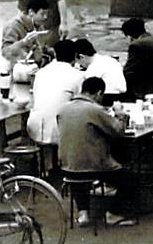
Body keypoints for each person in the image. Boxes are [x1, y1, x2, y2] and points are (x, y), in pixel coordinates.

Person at [57, 77, 135, 227]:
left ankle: (83, 213)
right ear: (99, 93)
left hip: (67, 165)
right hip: (93, 167)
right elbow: (118, 130)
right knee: (129, 179)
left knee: (77, 163)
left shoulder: (63, 109)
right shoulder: (95, 110)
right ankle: (113, 213)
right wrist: (120, 113)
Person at [27, 39, 85, 145]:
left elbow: (35, 98)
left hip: (34, 127)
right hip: (59, 130)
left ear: (55, 54)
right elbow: (81, 105)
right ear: (75, 56)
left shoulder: (41, 73)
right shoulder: (78, 76)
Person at [1, 0, 54, 68]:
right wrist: (23, 42)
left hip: (37, 68)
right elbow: (5, 52)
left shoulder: (38, 25)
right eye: (42, 14)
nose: (45, 17)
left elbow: (42, 47)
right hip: (19, 70)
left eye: (46, 14)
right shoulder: (12, 26)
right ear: (31, 12)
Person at [73, 38, 126, 105]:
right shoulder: (110, 60)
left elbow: (85, 88)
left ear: (81, 57)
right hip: (122, 96)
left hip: (106, 98)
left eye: (78, 62)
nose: (80, 65)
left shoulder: (94, 67)